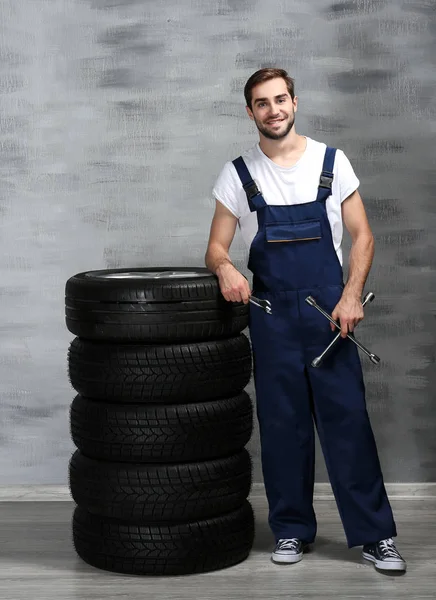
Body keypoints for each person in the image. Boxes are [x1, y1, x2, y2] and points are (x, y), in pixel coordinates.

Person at [204, 68, 406, 573]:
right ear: (250, 112)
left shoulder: (332, 163)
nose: (274, 110)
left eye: (280, 99)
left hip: (329, 318)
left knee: (348, 427)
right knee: (281, 428)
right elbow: (215, 248)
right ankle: (291, 530)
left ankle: (375, 536)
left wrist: (352, 296)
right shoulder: (237, 174)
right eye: (262, 103)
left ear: (295, 102)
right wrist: (226, 268)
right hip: (271, 318)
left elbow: (362, 237)